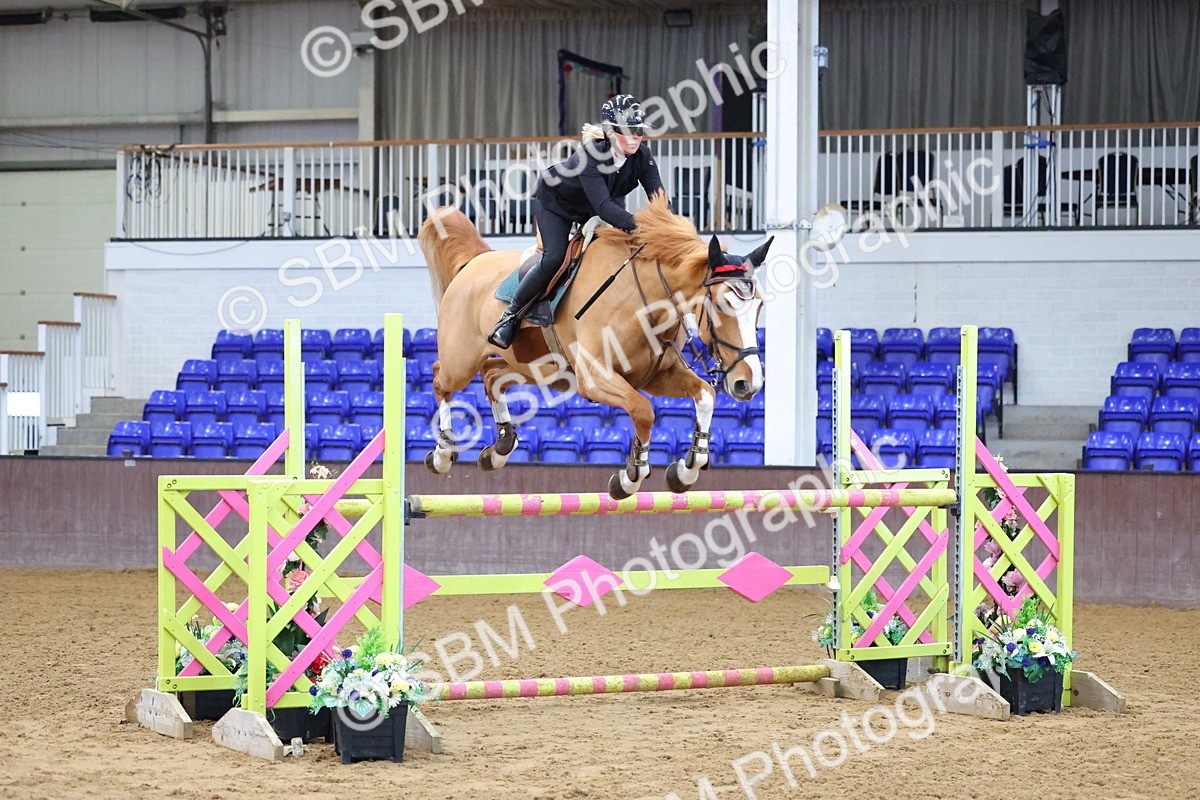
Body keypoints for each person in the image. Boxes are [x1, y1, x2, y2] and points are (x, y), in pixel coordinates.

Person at [487, 94, 666, 349]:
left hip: (596, 205)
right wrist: (646, 228)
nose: (637, 136)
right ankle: (510, 317)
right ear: (611, 133)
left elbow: (659, 199)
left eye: (639, 130)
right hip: (558, 204)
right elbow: (604, 208)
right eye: (630, 131)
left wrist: (671, 228)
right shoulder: (591, 155)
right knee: (554, 258)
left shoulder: (643, 157)